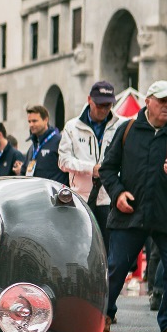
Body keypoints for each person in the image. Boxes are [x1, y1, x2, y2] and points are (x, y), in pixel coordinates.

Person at [99, 81, 167, 332]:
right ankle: (105, 314)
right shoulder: (128, 129)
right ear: (148, 102)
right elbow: (107, 169)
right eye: (163, 101)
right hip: (130, 211)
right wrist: (118, 193)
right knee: (117, 266)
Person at [59, 81, 126, 251]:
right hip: (81, 197)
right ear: (89, 100)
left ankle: (107, 278)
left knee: (108, 248)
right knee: (80, 248)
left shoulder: (120, 125)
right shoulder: (72, 127)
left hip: (109, 197)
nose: (104, 110)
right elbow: (63, 161)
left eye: (108, 105)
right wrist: (91, 168)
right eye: (100, 105)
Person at [15, 104, 67, 183]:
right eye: (29, 121)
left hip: (52, 193)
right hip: (34, 193)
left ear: (45, 120)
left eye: (34, 121)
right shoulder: (33, 147)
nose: (31, 125)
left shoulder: (59, 142)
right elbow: (24, 172)